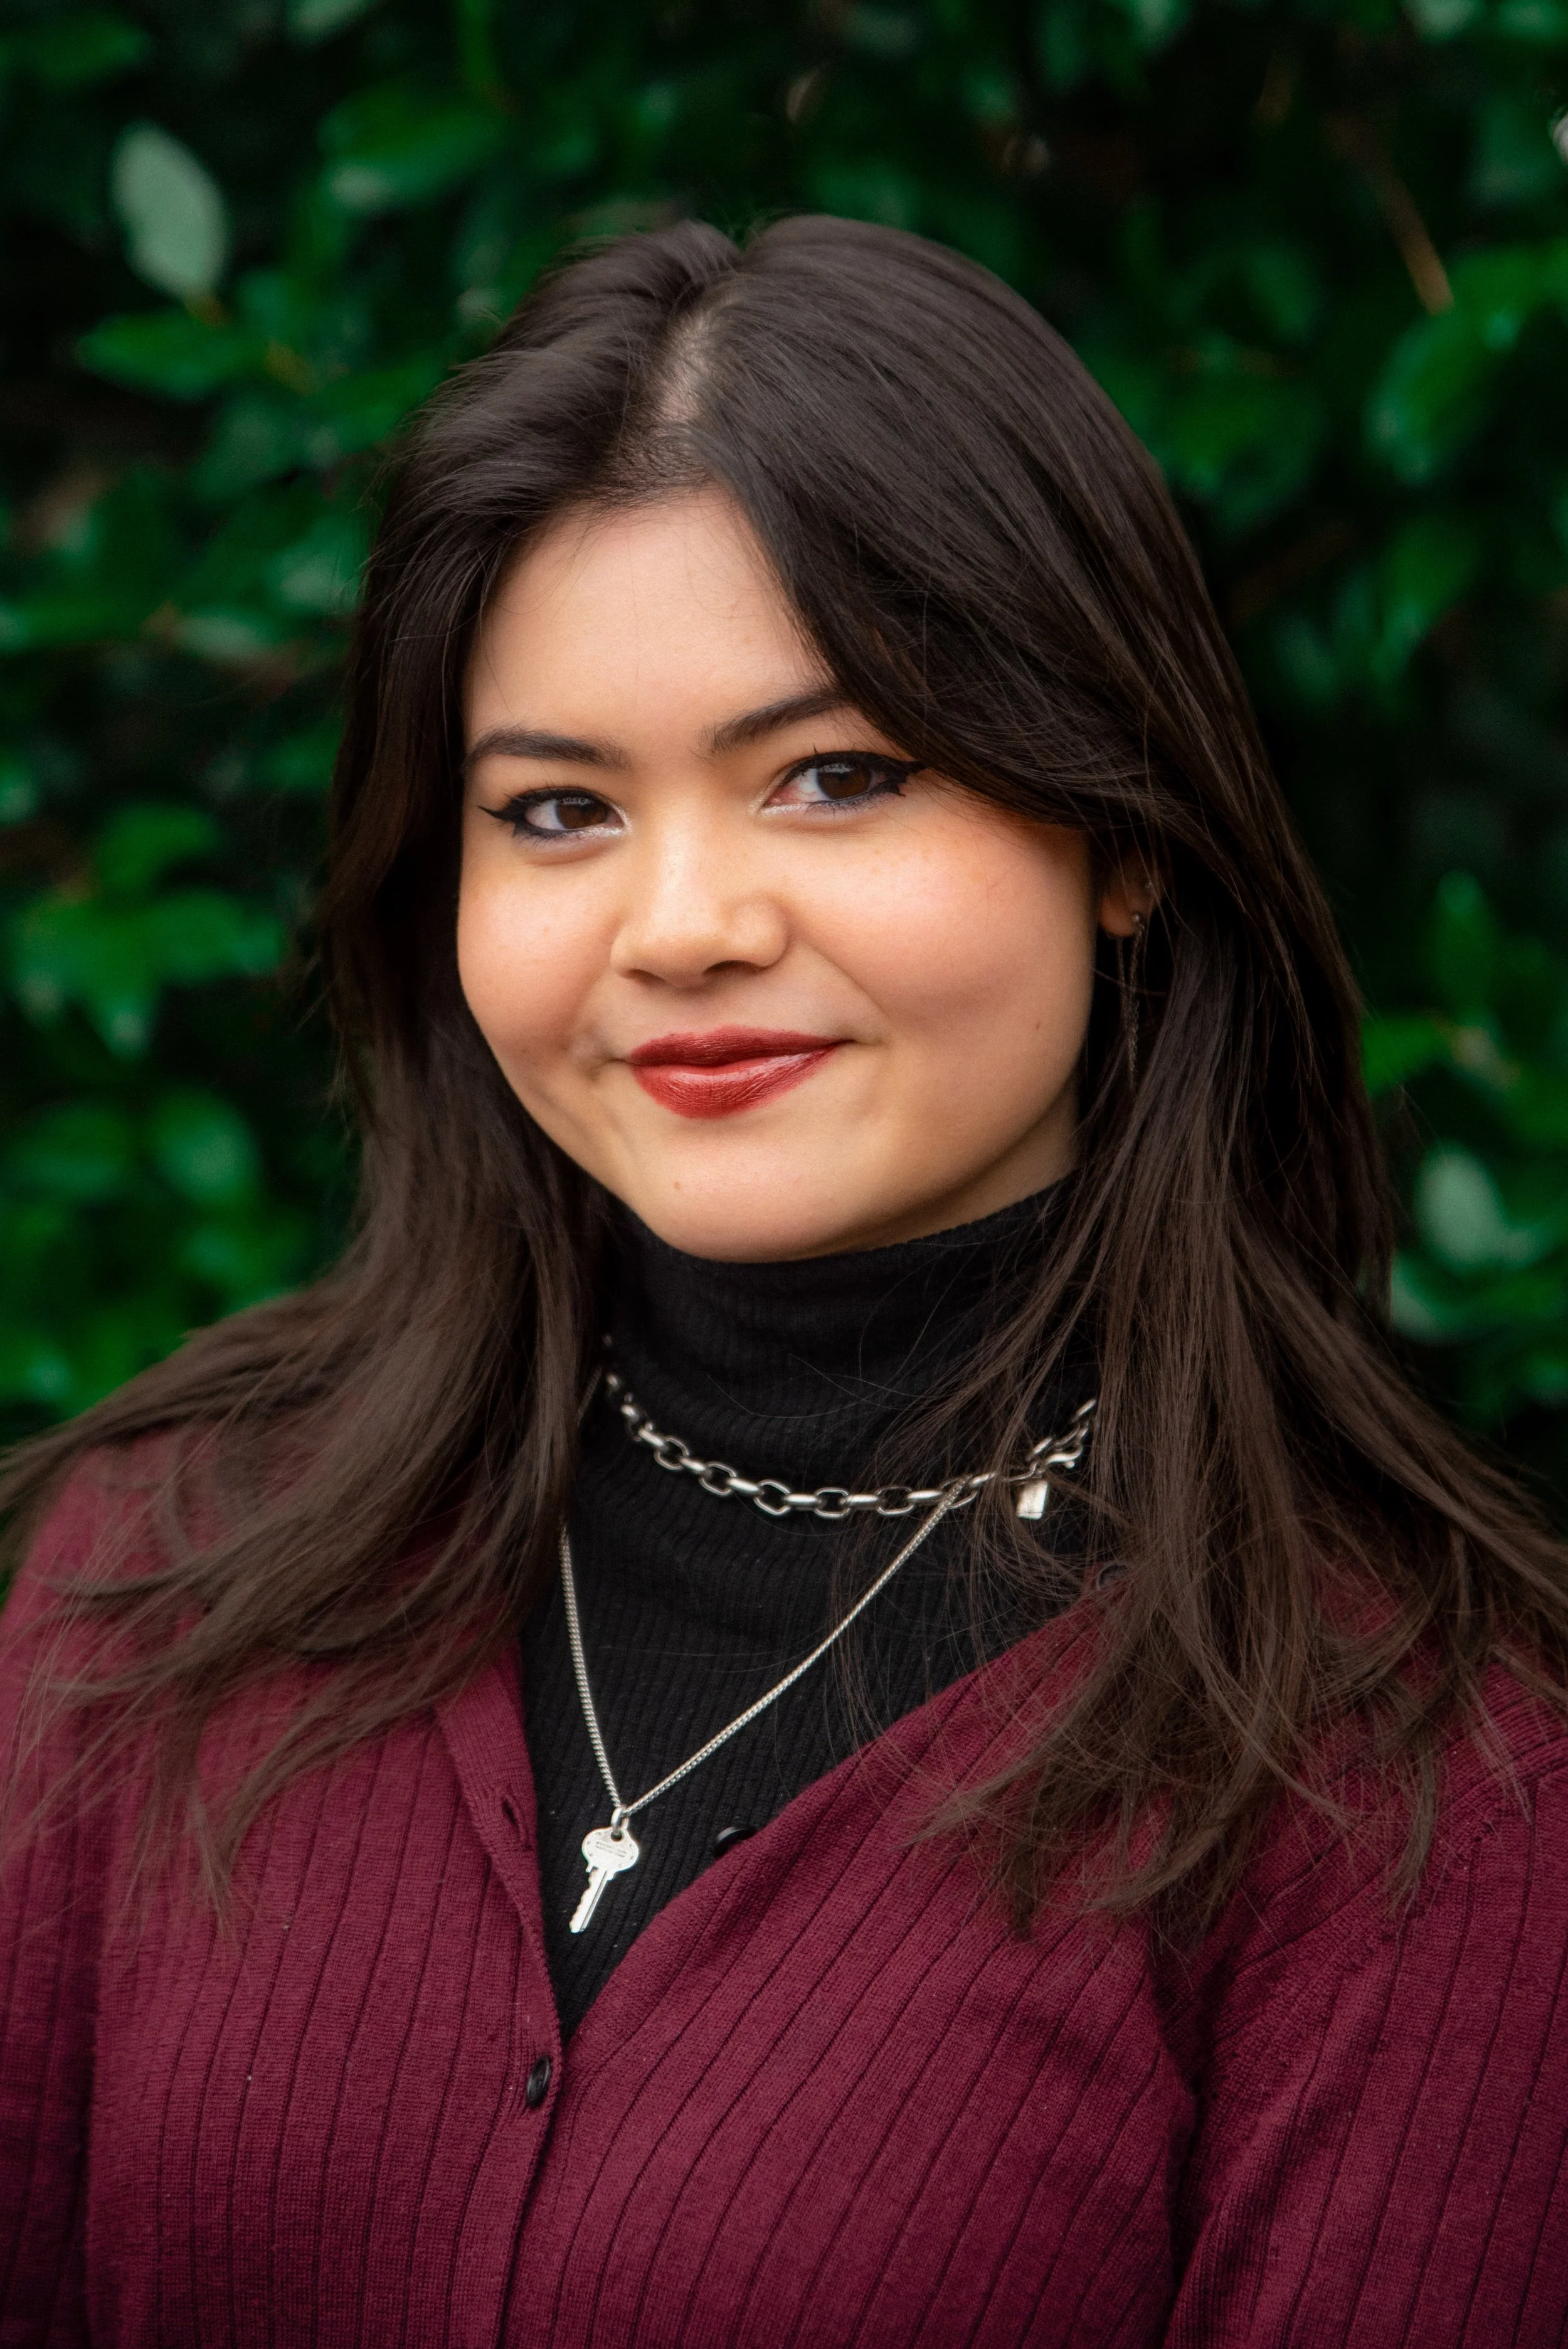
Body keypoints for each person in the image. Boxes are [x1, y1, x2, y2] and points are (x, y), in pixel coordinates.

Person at [2, 215, 1565, 2349]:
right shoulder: (153, 1571)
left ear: (1120, 831)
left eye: (835, 777)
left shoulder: (1425, 1783)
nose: (681, 924)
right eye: (554, 811)